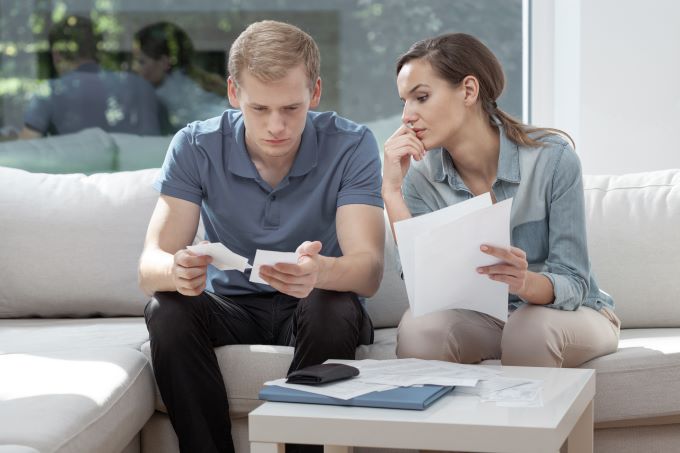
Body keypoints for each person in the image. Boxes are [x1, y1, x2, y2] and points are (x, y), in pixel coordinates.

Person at [139, 20, 384, 453]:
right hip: (230, 307)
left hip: (314, 307)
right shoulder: (195, 146)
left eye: (291, 108)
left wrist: (321, 269)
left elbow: (367, 273)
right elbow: (149, 266)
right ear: (234, 94)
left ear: (315, 92)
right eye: (259, 109)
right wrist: (176, 270)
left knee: (334, 301)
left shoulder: (352, 144)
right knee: (166, 306)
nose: (276, 126)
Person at [382, 33, 620, 368]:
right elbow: (421, 287)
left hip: (567, 313)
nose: (407, 116)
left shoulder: (552, 159)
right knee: (420, 329)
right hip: (487, 320)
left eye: (421, 97)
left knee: (528, 329)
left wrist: (525, 282)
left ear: (468, 90)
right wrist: (391, 191)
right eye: (404, 101)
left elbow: (574, 280)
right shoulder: (419, 176)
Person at [20, 15, 162, 139]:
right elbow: (155, 144)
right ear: (97, 49)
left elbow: (26, 148)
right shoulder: (140, 86)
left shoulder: (50, 92)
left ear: (56, 55)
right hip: (138, 169)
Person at [133, 21, 228, 133]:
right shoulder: (184, 83)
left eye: (141, 62)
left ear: (163, 62)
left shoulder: (178, 93)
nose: (135, 68)